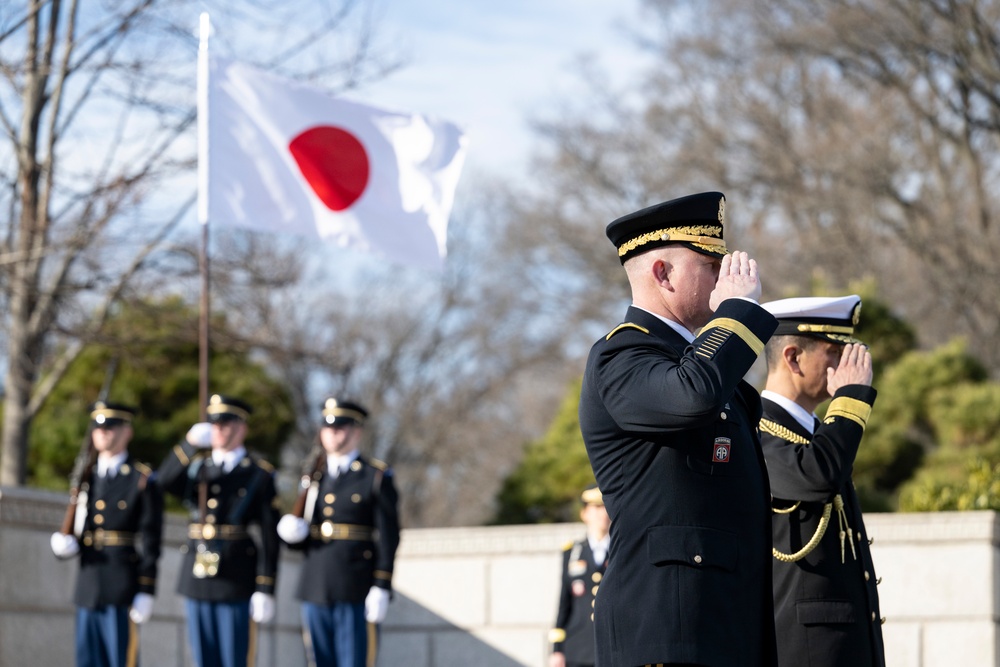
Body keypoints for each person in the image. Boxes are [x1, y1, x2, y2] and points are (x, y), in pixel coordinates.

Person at [578, 191, 780, 666]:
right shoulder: (621, 357)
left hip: (727, 626)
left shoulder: (715, 374)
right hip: (668, 631)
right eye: (709, 262)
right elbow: (693, 395)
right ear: (662, 273)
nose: (722, 274)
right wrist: (735, 315)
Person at [758, 295, 885, 666]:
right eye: (834, 352)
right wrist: (850, 401)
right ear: (793, 357)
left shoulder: (819, 434)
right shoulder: (756, 431)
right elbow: (816, 477)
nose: (846, 365)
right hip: (801, 651)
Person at [157, 394, 280, 667]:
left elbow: (269, 535)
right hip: (198, 573)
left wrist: (266, 586)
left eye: (226, 423)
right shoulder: (199, 468)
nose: (219, 429)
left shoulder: (258, 473)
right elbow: (162, 482)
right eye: (214, 423)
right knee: (202, 659)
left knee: (234, 658)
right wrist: (187, 446)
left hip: (236, 574)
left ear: (242, 428)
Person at [276, 397, 401, 667]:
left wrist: (382, 584)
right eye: (327, 427)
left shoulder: (374, 476)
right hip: (316, 582)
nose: (332, 433)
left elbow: (389, 536)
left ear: (357, 431)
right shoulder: (313, 476)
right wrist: (294, 535)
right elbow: (307, 529)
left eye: (340, 428)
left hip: (356, 584)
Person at [50, 400, 164, 667]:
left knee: (120, 659)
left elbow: (151, 539)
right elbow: (80, 524)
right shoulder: (86, 477)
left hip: (122, 585)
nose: (102, 433)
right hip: (88, 584)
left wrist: (146, 588)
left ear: (127, 432)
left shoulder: (141, 478)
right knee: (87, 660)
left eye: (111, 427)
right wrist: (68, 543)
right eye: (98, 428)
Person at [548, 484, 610, 667]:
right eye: (596, 507)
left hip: (612, 647)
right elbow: (564, 603)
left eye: (606, 506)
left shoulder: (622, 551)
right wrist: (557, 649)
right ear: (584, 513)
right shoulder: (572, 552)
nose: (602, 513)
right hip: (577, 649)